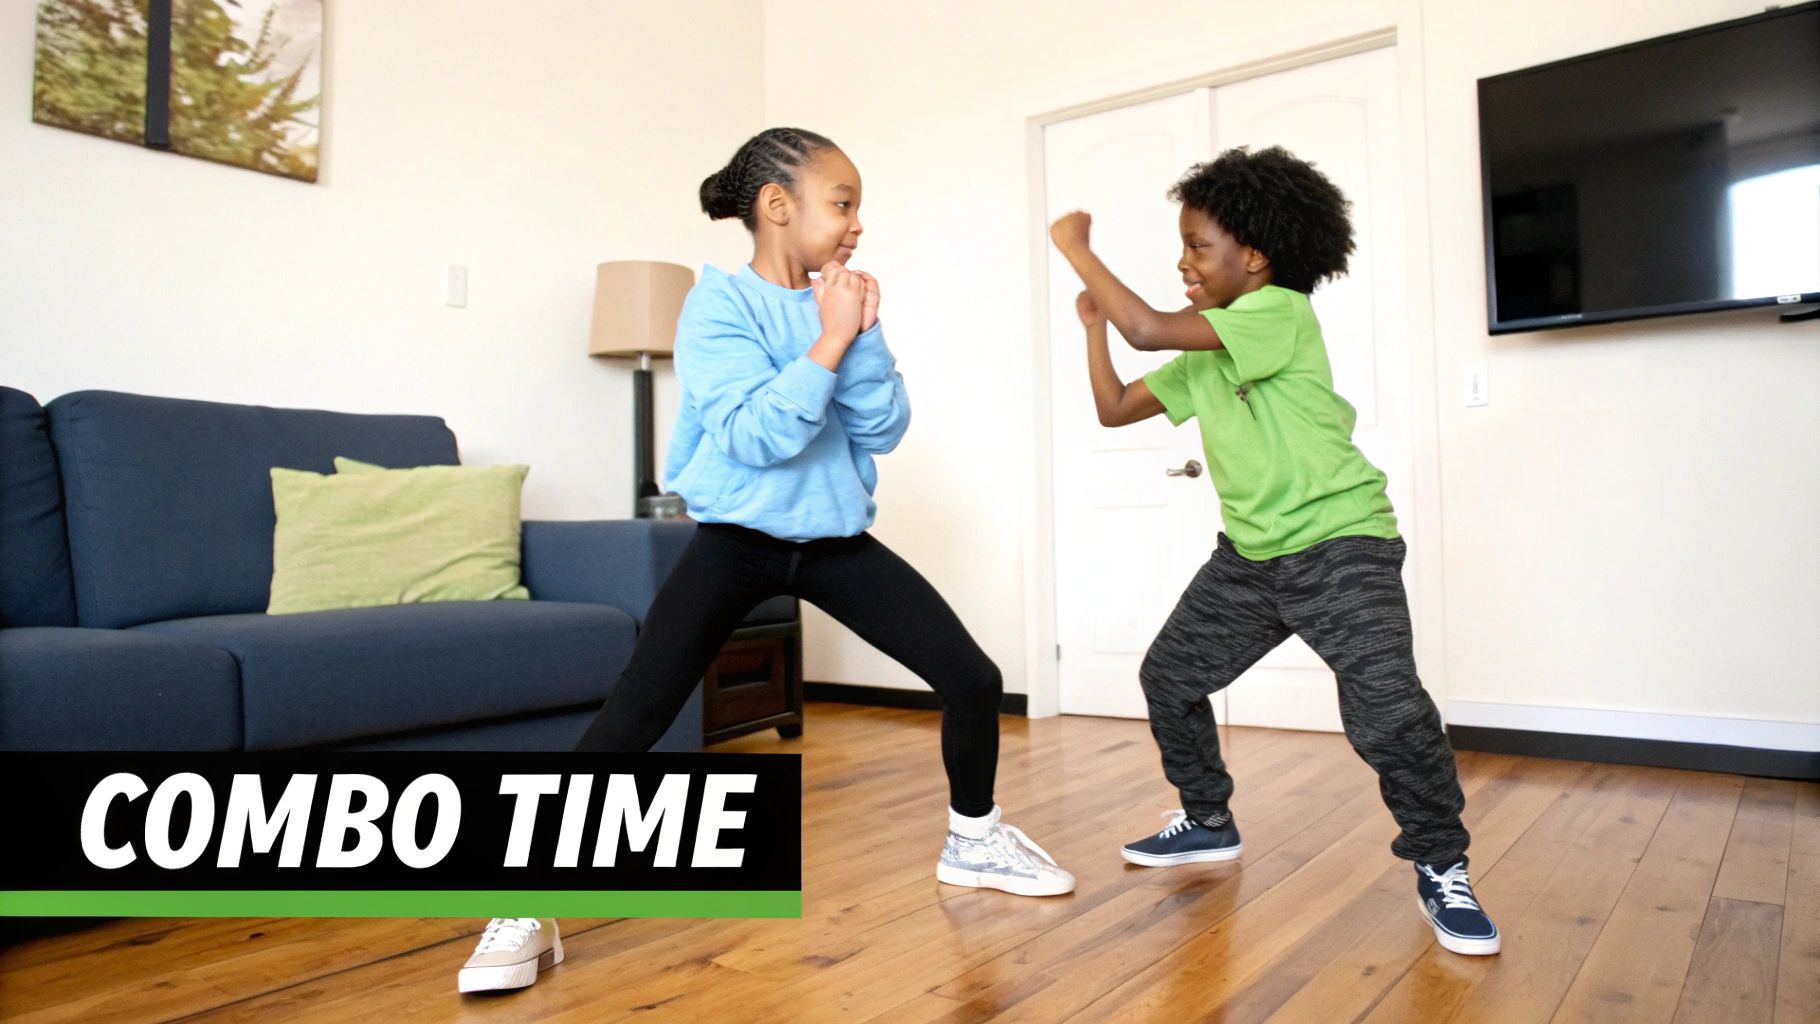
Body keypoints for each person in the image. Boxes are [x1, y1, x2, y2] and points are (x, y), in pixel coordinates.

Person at [459, 127, 1074, 994]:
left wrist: (858, 333)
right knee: (634, 716)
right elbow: (753, 437)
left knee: (970, 676)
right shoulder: (717, 307)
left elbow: (883, 429)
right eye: (843, 202)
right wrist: (827, 339)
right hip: (737, 545)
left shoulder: (844, 302)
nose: (858, 223)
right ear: (778, 207)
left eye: (859, 206)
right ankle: (525, 905)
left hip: (831, 543)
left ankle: (974, 840)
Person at [1048, 145, 1499, 956]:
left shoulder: (1277, 312)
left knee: (1387, 714)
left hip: (1340, 543)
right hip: (1252, 559)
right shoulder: (1211, 349)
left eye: (1197, 245)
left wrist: (1078, 248)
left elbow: (1147, 326)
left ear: (1254, 259)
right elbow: (1115, 407)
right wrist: (1091, 330)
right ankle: (1208, 820)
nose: (1182, 260)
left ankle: (1443, 864)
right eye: (1183, 245)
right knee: (1169, 677)